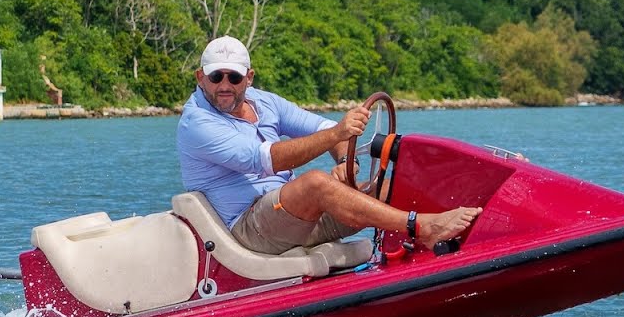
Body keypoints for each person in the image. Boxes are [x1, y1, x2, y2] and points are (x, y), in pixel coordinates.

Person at [176, 35, 481, 255]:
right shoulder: (197, 123)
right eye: (216, 77)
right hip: (250, 230)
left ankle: (475, 216)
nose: (224, 86)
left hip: (294, 217)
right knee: (315, 184)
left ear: (249, 78)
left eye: (234, 77)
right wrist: (336, 135)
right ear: (201, 77)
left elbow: (324, 128)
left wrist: (346, 163)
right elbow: (268, 158)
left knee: (390, 188)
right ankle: (422, 227)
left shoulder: (266, 102)